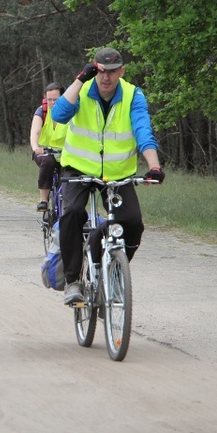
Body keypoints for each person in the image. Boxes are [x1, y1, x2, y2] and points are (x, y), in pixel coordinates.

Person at [51, 47, 165, 305]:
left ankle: (113, 266)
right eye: (101, 71)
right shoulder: (82, 89)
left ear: (121, 72)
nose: (106, 78)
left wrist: (154, 166)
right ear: (95, 70)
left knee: (133, 222)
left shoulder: (132, 95)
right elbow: (58, 115)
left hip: (116, 174)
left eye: (112, 72)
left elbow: (142, 130)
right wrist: (80, 79)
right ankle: (73, 281)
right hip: (78, 169)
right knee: (72, 213)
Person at [29, 82, 67, 212]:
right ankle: (43, 200)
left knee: (70, 172)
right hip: (45, 151)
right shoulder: (42, 111)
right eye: (49, 99)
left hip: (65, 153)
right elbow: (35, 131)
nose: (52, 103)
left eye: (55, 99)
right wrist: (35, 147)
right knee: (47, 162)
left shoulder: (70, 112)